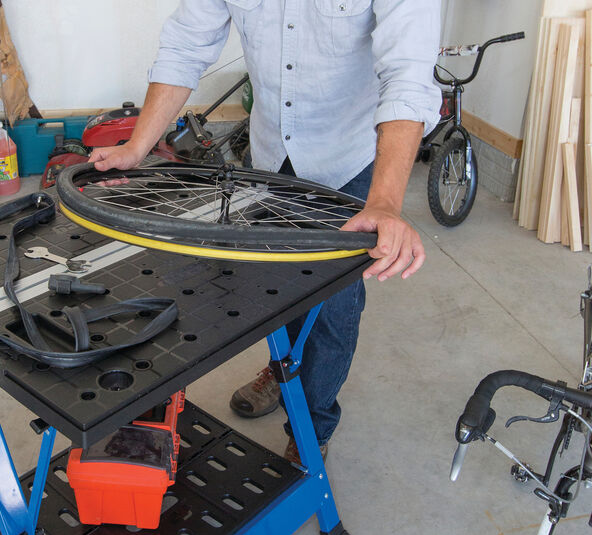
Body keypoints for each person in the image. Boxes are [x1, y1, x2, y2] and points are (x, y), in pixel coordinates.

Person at [89, 0, 441, 464]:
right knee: (277, 290)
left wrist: (385, 202)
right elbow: (186, 44)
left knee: (331, 309)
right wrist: (138, 145)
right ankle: (284, 371)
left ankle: (311, 428)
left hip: (349, 155)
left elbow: (408, 75)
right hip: (272, 151)